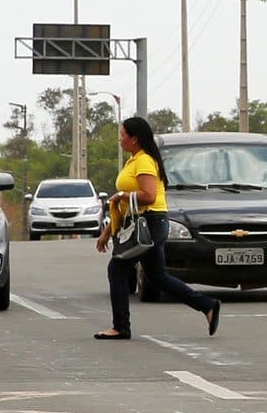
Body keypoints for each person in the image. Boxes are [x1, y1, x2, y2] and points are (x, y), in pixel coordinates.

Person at [94, 116, 222, 340]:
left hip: (149, 222)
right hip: (148, 222)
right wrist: (107, 232)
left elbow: (149, 196)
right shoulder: (134, 160)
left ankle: (121, 327)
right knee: (157, 275)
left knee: (117, 270)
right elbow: (126, 206)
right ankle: (207, 305)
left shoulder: (144, 161)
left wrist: (122, 194)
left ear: (134, 139)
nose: (120, 139)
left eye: (123, 135)